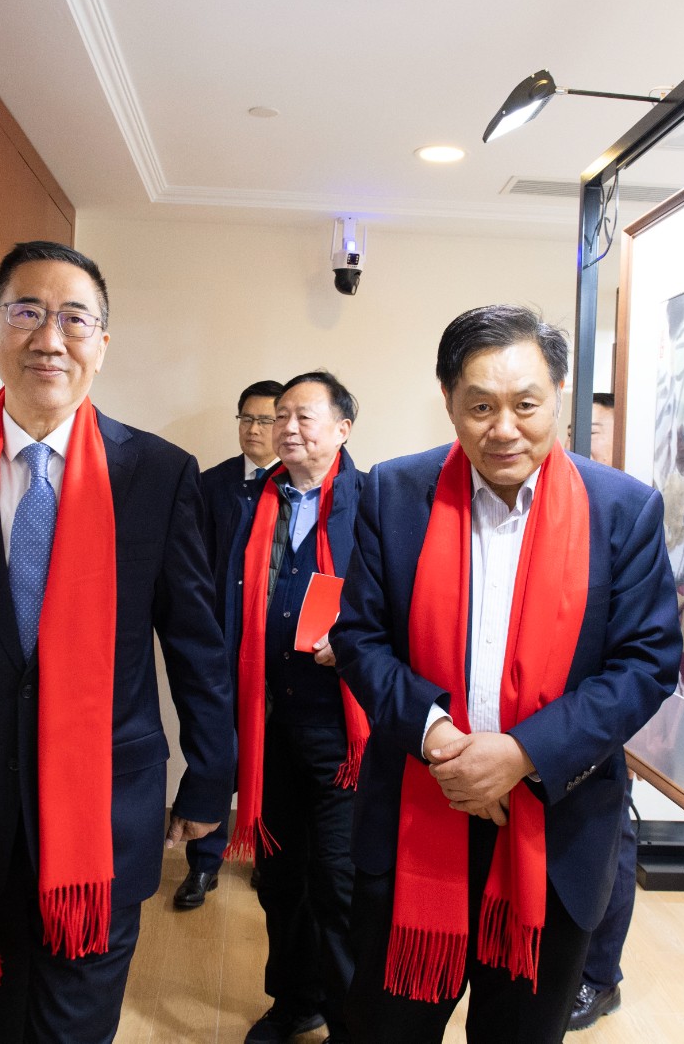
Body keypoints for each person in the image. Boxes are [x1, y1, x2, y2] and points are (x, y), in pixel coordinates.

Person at [0, 241, 236, 1043]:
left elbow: (197, 647)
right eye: (27, 313)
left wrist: (210, 781)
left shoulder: (158, 473)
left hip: (105, 813)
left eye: (74, 319)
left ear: (102, 343)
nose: (49, 339)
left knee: (74, 1027)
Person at [334, 305, 681, 1043]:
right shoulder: (394, 492)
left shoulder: (622, 509)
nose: (505, 429)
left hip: (555, 833)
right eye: (481, 406)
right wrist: (438, 740)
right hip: (417, 811)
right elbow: (359, 637)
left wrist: (521, 754)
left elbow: (646, 662)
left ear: (558, 393)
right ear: (448, 400)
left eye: (526, 404)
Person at [227, 371, 367, 1044]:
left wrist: (356, 644)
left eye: (304, 416)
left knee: (338, 881)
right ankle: (294, 1001)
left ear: (343, 428)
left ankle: (350, 1020)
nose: (286, 427)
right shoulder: (256, 502)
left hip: (344, 732)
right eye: (280, 414)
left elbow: (403, 604)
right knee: (279, 874)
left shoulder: (373, 502)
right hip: (271, 721)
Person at [175, 379, 285, 910]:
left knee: (273, 754)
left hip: (276, 649)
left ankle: (267, 856)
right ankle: (204, 862)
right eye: (246, 418)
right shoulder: (211, 483)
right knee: (216, 750)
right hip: (220, 642)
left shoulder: (298, 485)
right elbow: (191, 566)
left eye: (266, 420)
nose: (254, 429)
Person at [568, 391, 633, 1032]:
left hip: (601, 709)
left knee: (611, 838)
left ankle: (598, 976)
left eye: (595, 428)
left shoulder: (626, 501)